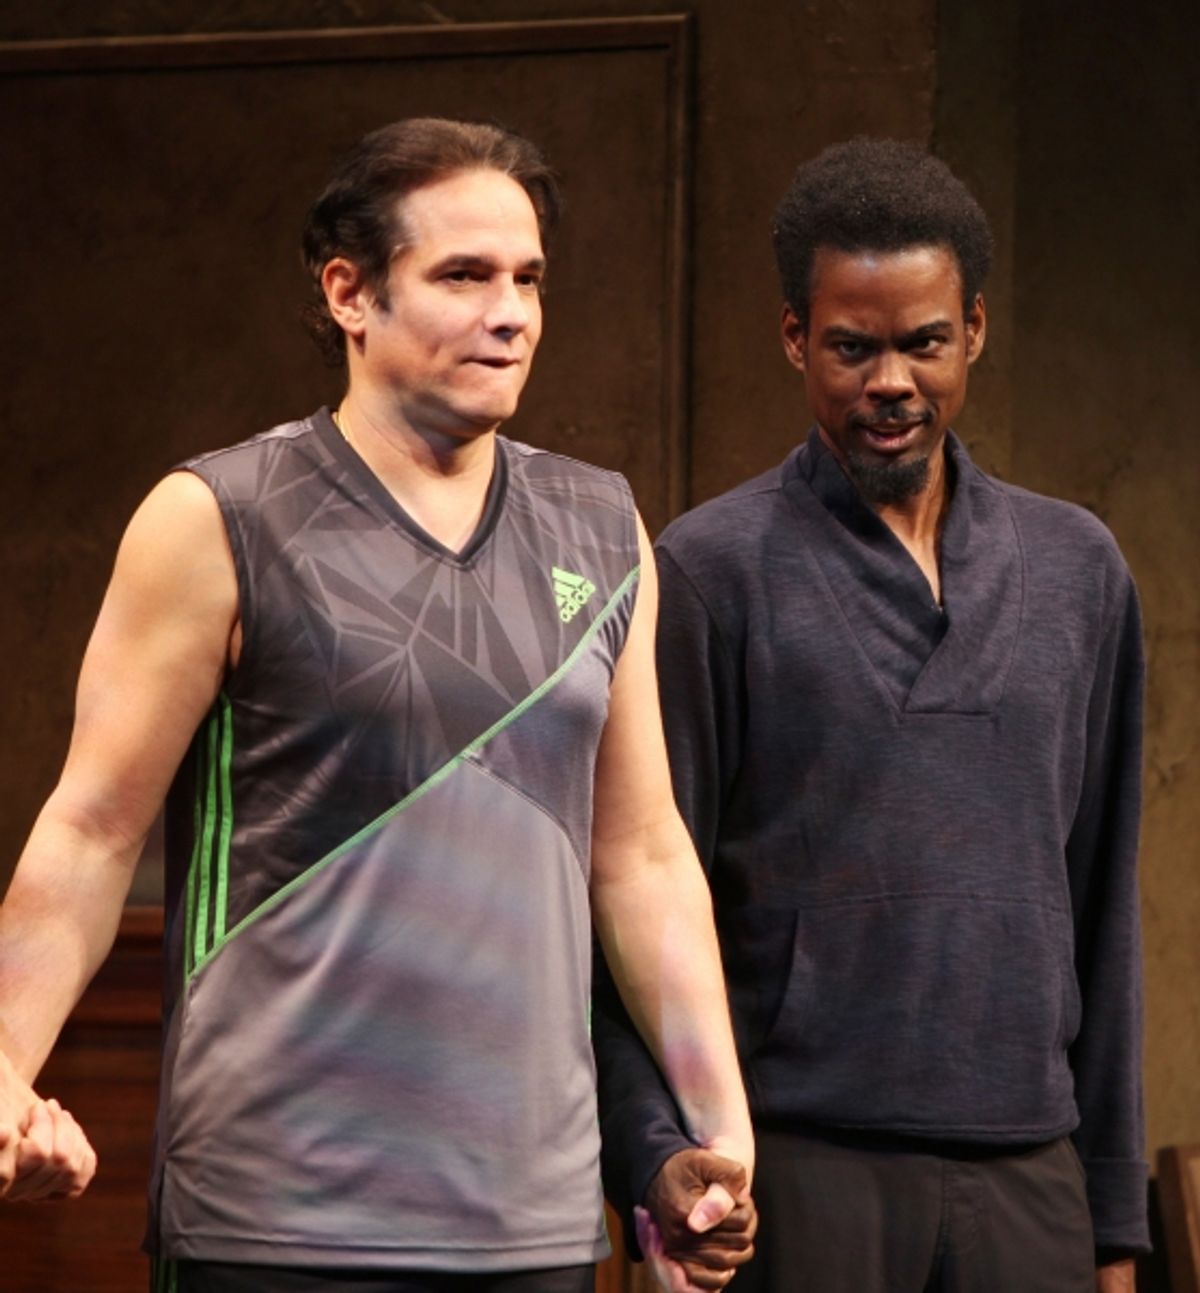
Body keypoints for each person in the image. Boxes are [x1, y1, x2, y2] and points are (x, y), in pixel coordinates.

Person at [0, 117, 757, 1292]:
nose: (511, 311)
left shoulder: (605, 531)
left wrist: (718, 1131)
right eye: (464, 275)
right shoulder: (219, 519)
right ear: (350, 293)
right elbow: (94, 832)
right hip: (271, 1221)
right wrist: (0, 1064)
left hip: (535, 1223)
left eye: (528, 278)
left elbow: (643, 856)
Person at [595, 137, 1147, 1293]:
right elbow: (636, 895)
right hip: (799, 1170)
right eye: (853, 347)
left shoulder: (1076, 571)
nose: (890, 380)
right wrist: (660, 1165)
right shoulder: (708, 572)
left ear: (976, 330)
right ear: (797, 339)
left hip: (1030, 1171)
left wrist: (1111, 1222)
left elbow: (1101, 904)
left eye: (924, 343)